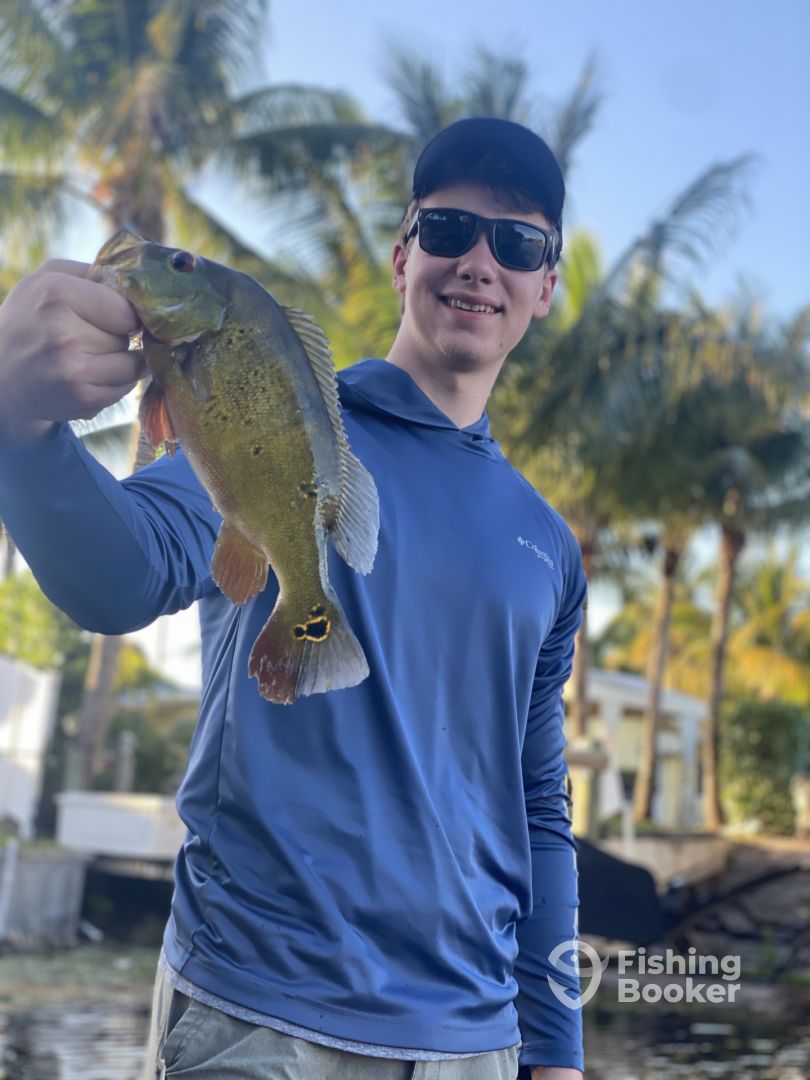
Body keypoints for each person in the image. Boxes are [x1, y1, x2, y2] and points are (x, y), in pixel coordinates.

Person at [0, 118, 587, 1079]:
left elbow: (538, 807)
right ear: (403, 257)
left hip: (476, 1040)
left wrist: (556, 1043)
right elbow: (123, 574)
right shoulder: (280, 413)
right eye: (448, 231)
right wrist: (17, 422)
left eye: (518, 243)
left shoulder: (549, 547)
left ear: (545, 286)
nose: (480, 263)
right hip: (262, 1018)